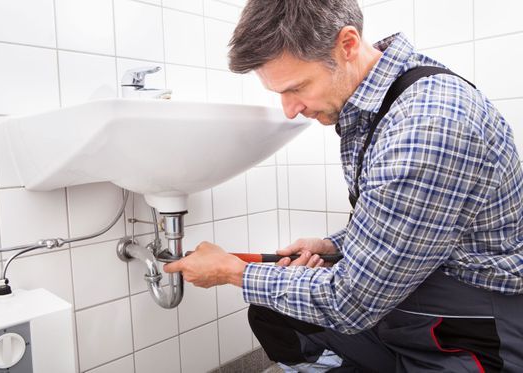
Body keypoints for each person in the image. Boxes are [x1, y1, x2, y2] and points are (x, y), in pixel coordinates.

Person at [164, 0, 523, 371]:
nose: (289, 110)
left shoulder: (424, 128)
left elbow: (352, 304)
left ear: (347, 45)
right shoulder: (387, 101)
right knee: (275, 315)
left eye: (297, 87)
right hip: (410, 306)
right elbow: (404, 222)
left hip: (470, 332)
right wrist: (334, 244)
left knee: (292, 298)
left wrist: (231, 271)